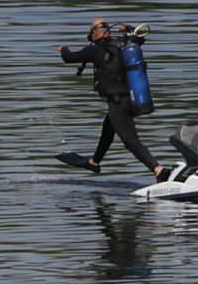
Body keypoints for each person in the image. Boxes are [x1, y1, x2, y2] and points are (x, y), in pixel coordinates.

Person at [56, 18, 170, 182]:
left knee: (130, 141)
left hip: (118, 102)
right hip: (131, 99)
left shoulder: (94, 50)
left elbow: (68, 57)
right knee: (108, 129)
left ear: (95, 33)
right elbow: (140, 38)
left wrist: (63, 48)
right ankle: (94, 162)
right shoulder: (122, 44)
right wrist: (129, 28)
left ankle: (158, 170)